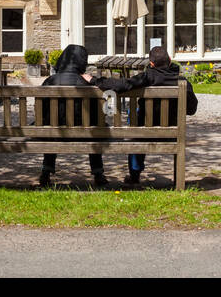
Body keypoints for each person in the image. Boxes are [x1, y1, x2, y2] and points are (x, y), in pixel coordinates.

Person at [37, 44, 126, 189]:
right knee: (94, 128)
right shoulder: (86, 83)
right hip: (85, 133)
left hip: (54, 133)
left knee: (50, 125)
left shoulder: (50, 81)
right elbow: (98, 113)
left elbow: (41, 108)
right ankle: (98, 173)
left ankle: (45, 172)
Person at [121, 45, 197, 185]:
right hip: (172, 133)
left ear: (151, 64)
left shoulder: (145, 79)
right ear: (169, 60)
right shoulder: (182, 82)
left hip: (144, 132)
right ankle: (178, 180)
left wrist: (96, 81)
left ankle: (134, 174)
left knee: (134, 120)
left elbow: (124, 85)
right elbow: (192, 110)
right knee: (137, 119)